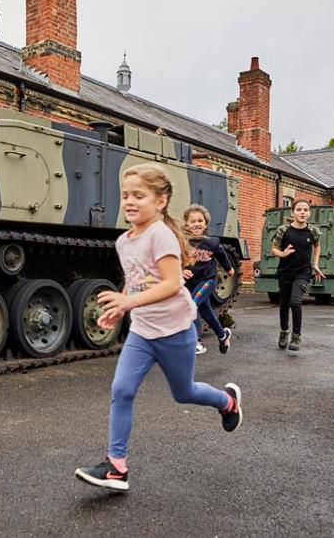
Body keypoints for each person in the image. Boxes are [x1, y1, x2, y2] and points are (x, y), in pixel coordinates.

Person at [74, 163, 243, 492]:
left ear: (161, 201)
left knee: (185, 393)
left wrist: (128, 303)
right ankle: (116, 467)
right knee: (121, 391)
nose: (130, 202)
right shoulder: (124, 241)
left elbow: (170, 284)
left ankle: (227, 402)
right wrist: (118, 309)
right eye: (125, 196)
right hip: (142, 332)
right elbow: (134, 281)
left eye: (139, 195)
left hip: (175, 330)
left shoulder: (160, 235)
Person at [270, 198, 324, 350]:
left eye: (305, 210)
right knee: (284, 304)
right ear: (292, 212)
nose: (302, 212)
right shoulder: (283, 229)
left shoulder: (313, 231)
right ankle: (284, 331)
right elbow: (273, 248)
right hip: (285, 272)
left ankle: (296, 337)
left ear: (309, 213)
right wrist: (282, 253)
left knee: (295, 302)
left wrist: (315, 264)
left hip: (303, 272)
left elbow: (317, 245)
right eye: (299, 210)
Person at [182, 204, 234, 355]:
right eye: (193, 221)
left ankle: (196, 341)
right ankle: (223, 335)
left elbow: (222, 255)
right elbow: (176, 259)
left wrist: (229, 269)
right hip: (191, 283)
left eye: (200, 221)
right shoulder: (183, 243)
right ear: (187, 224)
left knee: (191, 305)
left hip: (208, 280)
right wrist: (182, 270)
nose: (197, 224)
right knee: (207, 313)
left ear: (205, 224)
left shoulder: (212, 242)